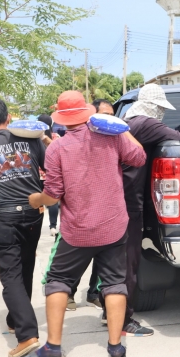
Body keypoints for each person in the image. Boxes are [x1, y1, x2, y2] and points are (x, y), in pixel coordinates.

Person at [21, 91, 146, 357]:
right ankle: (116, 346)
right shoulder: (112, 138)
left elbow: (53, 195)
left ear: (61, 119)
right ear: (87, 113)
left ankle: (53, 346)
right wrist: (122, 129)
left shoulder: (57, 148)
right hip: (113, 227)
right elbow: (139, 157)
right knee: (115, 283)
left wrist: (36, 200)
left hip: (77, 231)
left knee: (58, 281)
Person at [109, 84, 180, 336]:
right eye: (160, 108)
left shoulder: (128, 121)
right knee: (128, 263)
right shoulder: (146, 123)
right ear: (153, 106)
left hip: (117, 201)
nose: (161, 113)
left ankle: (109, 311)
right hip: (129, 205)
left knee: (115, 261)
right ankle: (123, 320)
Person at [0, 97, 46, 357]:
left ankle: (27, 336)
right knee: (25, 266)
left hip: (3, 217)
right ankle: (16, 319)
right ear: (8, 117)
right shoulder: (32, 141)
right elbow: (47, 167)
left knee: (11, 274)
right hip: (32, 213)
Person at [67, 99, 115, 311]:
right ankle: (68, 291)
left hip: (106, 210)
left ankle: (94, 293)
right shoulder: (79, 139)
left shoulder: (114, 139)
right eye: (104, 114)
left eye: (112, 115)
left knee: (102, 257)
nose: (108, 119)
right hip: (80, 211)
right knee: (77, 255)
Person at [37, 114, 60, 237]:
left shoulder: (35, 138)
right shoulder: (56, 137)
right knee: (53, 201)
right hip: (51, 174)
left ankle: (37, 226)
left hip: (37, 175)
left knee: (38, 200)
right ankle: (53, 227)